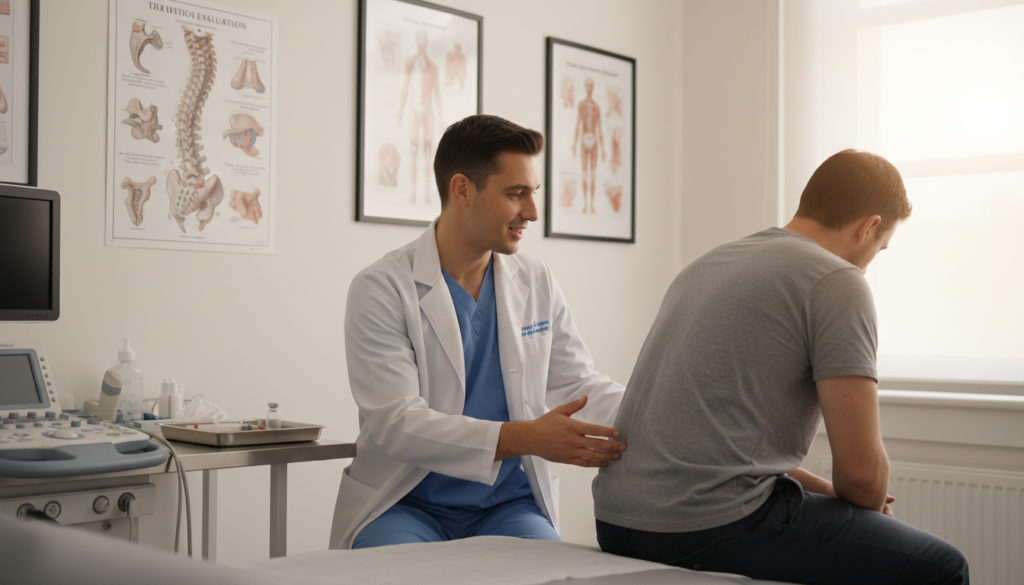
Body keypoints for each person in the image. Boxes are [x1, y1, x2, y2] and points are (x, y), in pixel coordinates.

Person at [592, 150, 969, 584]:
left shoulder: (711, 263)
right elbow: (863, 477)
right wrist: (865, 511)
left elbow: (716, 441)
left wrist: (825, 494)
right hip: (705, 526)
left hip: (616, 521)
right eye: (879, 249)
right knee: (945, 567)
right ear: (868, 227)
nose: (869, 262)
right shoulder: (836, 280)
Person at [330, 115, 627, 550]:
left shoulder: (535, 279)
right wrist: (525, 437)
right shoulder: (382, 287)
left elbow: (577, 384)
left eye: (533, 193)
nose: (532, 212)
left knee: (554, 575)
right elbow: (397, 423)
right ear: (462, 189)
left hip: (505, 506)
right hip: (403, 503)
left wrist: (658, 416)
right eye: (516, 194)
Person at [397, 28, 443, 205]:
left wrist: (441, 117)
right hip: (413, 108)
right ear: (417, 41)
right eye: (420, 39)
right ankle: (414, 193)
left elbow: (437, 92)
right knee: (414, 150)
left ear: (427, 42)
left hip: (428, 107)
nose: (422, 42)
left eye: (424, 40)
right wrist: (401, 111)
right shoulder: (410, 62)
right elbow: (406, 87)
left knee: (428, 152)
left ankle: (427, 193)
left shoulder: (433, 66)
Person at [571, 77, 605, 214]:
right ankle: (586, 204)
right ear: (585, 87)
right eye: (588, 85)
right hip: (584, 138)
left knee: (593, 174)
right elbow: (578, 125)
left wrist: (603, 150)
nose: (589, 88)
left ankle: (592, 204)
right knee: (585, 173)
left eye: (591, 85)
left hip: (594, 139)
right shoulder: (581, 105)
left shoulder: (596, 107)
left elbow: (600, 128)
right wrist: (574, 144)